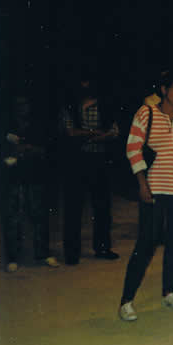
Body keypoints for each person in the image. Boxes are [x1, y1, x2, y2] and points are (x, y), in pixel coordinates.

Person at [118, 70, 173, 322]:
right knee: (146, 245)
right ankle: (126, 300)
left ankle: (169, 292)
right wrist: (142, 184)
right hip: (154, 189)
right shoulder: (146, 113)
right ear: (163, 89)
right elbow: (133, 149)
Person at [60, 76, 120, 264]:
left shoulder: (104, 106)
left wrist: (90, 135)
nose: (85, 86)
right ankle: (72, 253)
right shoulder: (71, 107)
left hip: (99, 159)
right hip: (76, 161)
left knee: (102, 207)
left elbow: (114, 131)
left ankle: (102, 248)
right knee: (73, 208)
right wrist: (94, 133)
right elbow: (70, 132)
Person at [1, 93, 61, 272]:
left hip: (35, 175)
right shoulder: (6, 126)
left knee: (40, 215)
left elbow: (47, 149)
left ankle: (43, 253)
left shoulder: (38, 126)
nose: (22, 108)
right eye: (18, 104)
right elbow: (2, 151)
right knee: (13, 217)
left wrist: (28, 149)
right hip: (13, 177)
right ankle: (13, 257)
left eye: (25, 104)